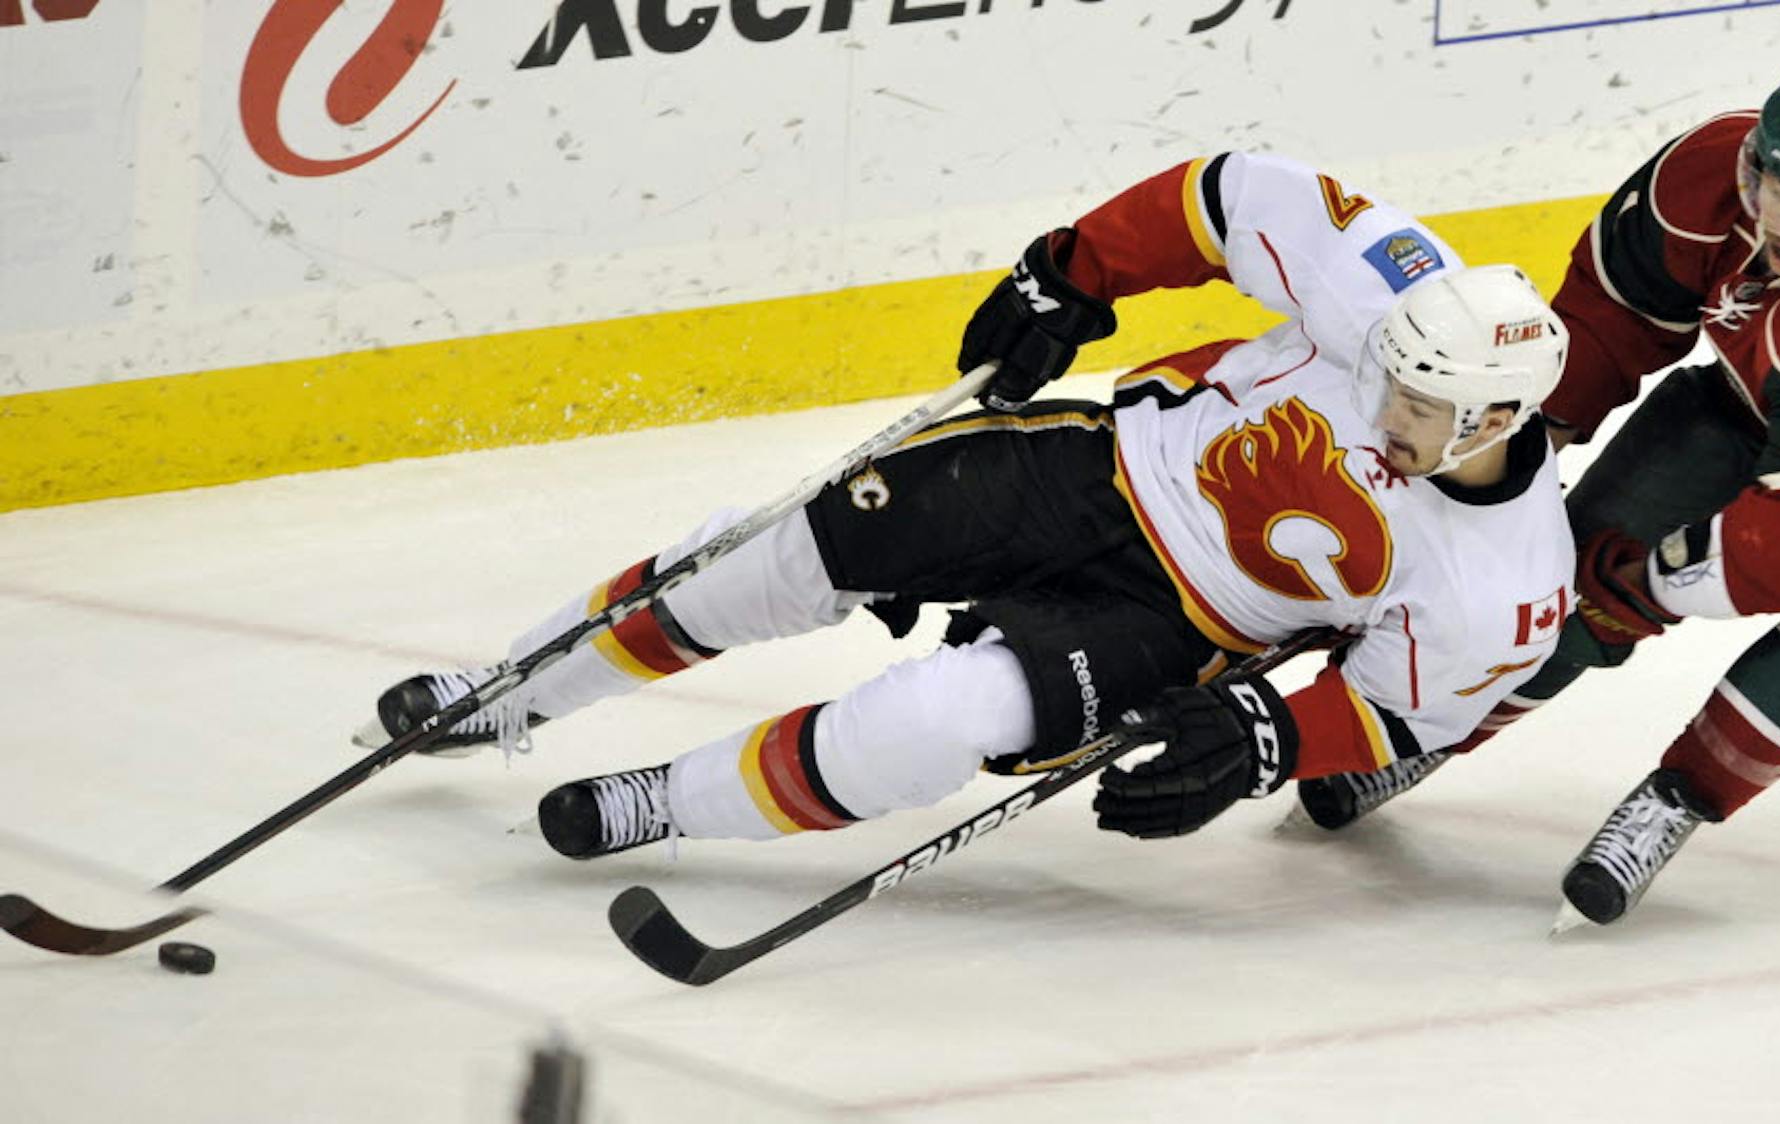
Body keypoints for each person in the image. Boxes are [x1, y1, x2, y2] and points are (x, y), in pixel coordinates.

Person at [355, 152, 1578, 860]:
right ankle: (506, 693)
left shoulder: (1509, 578)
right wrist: (1071, 270)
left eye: (1421, 403)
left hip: (1186, 625)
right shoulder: (1390, 289)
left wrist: (1268, 740)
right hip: (1095, 468)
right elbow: (1228, 191)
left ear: (1496, 420)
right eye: (1391, 372)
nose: (1385, 400)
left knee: (942, 715)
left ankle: (660, 802)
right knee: (781, 552)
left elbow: (1398, 715)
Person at [1299, 47, 1780, 930]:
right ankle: (1430, 730)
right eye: (1771, 188)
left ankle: (1680, 798)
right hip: (1764, 402)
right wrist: (1524, 449)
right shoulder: (1702, 175)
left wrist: (1652, 583)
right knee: (1570, 563)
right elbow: (1612, 313)